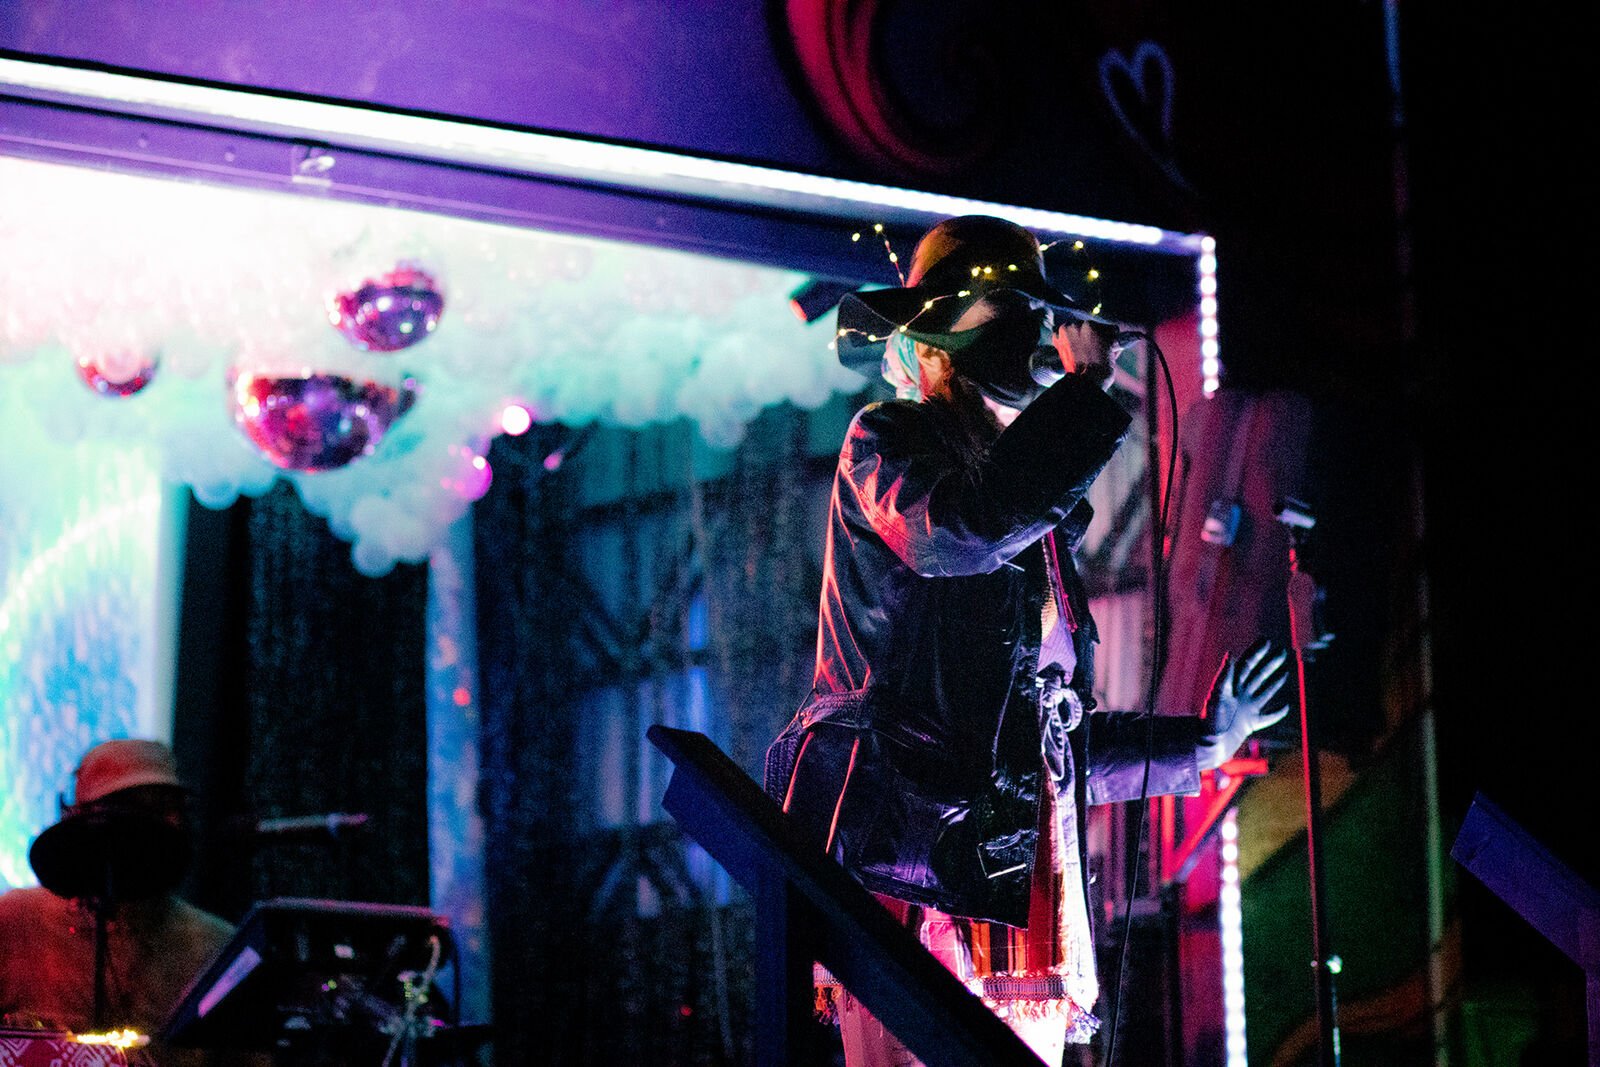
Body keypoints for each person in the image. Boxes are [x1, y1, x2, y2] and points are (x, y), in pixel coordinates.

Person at [764, 216, 1288, 1064]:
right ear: (934, 338)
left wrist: (1205, 742)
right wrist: (1082, 397)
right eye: (1005, 307)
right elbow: (957, 530)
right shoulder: (887, 442)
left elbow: (1054, 746)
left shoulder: (1035, 522)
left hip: (1009, 879)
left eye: (1035, 309)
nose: (1034, 329)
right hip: (908, 860)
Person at [0, 739, 256, 1067]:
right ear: (84, 821)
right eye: (137, 809)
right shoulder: (17, 922)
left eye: (171, 808)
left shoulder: (215, 947)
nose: (167, 823)